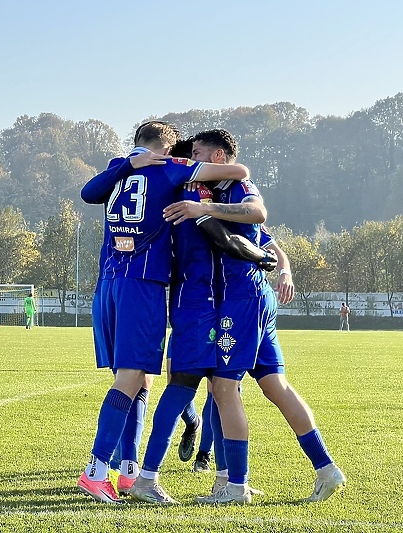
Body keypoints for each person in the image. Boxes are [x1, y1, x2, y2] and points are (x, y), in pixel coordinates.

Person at [164, 129, 346, 505]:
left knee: (224, 389)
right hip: (255, 297)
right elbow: (267, 237)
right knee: (276, 386)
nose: (191, 161)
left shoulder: (236, 183)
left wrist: (205, 210)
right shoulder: (217, 189)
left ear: (216, 158)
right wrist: (285, 269)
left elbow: (258, 213)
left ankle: (235, 488)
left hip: (240, 298)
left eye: (197, 154)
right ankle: (326, 469)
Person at [77, 121, 251, 504]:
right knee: (130, 378)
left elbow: (89, 193)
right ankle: (96, 471)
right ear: (166, 149)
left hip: (108, 281)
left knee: (138, 380)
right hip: (144, 284)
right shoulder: (171, 168)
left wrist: (128, 163)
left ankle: (128, 471)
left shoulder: (118, 167)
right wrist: (178, 167)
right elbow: (240, 172)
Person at [128, 139, 277, 504]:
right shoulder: (189, 195)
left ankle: (228, 480)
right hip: (196, 305)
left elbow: (248, 227)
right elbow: (226, 239)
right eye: (190, 159)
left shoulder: (200, 195)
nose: (195, 165)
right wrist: (261, 256)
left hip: (213, 305)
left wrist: (271, 255)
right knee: (184, 388)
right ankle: (148, 478)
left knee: (222, 390)